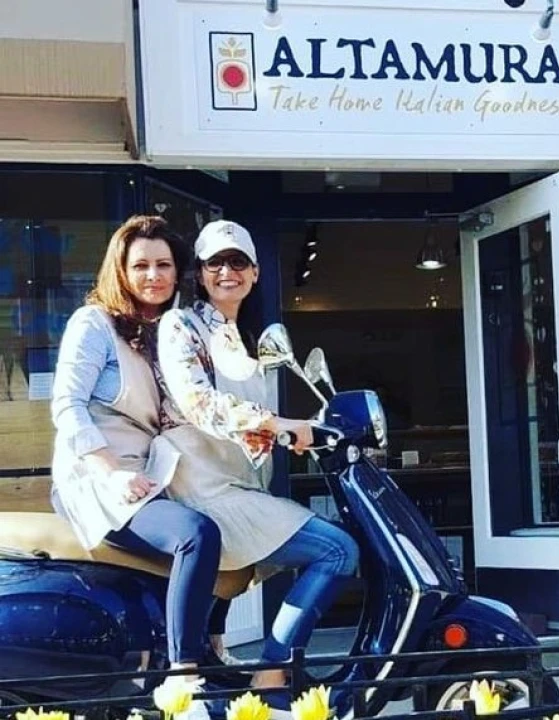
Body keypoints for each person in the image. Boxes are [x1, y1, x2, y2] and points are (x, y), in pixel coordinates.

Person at [155, 219, 359, 716]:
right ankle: (272, 674)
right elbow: (201, 404)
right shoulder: (182, 326)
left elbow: (250, 426)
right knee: (338, 551)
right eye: (215, 263)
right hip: (203, 488)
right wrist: (279, 424)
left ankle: (239, 661)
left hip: (237, 487)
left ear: (255, 271)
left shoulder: (241, 338)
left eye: (237, 261)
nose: (227, 271)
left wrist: (290, 435)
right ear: (200, 272)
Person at [49, 215, 222, 719]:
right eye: (141, 265)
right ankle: (184, 677)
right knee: (196, 535)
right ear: (120, 271)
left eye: (163, 265)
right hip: (98, 478)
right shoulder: (94, 323)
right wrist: (109, 471)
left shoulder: (168, 332)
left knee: (231, 522)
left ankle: (212, 648)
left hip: (151, 473)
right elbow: (66, 405)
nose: (153, 276)